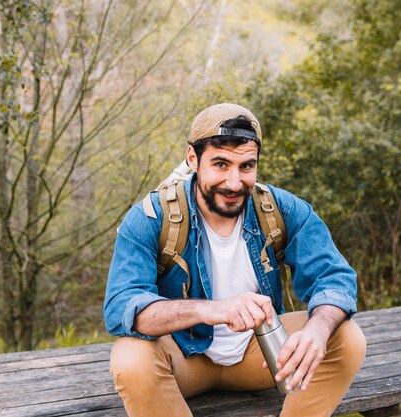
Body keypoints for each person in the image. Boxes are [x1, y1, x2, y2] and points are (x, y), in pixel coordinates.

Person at [103, 103, 366, 417]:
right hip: (182, 359)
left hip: (263, 355)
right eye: (220, 164)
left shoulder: (282, 209)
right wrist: (213, 309)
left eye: (246, 166)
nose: (233, 182)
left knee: (346, 336)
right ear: (193, 159)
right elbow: (121, 307)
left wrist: (317, 332)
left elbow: (335, 277)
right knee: (131, 358)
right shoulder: (150, 217)